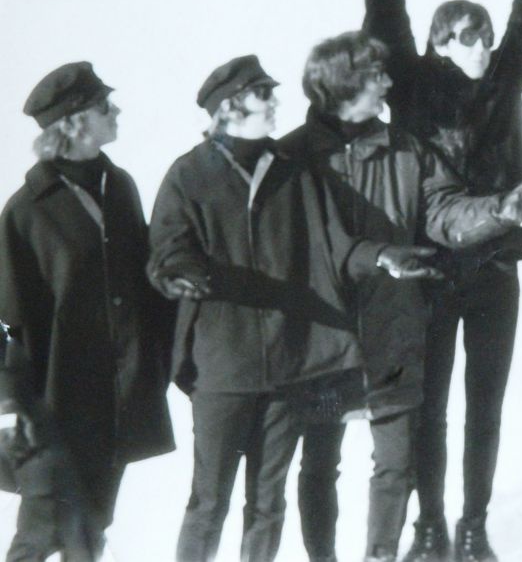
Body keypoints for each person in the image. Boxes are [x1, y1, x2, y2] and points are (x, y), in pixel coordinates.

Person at [357, 0, 522, 562]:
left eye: (481, 35)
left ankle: (474, 526)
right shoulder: (412, 89)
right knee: (429, 412)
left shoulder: (503, 79)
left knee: (486, 407)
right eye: (461, 37)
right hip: (431, 272)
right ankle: (429, 525)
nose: (479, 47)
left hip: (495, 269)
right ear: (437, 45)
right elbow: (387, 19)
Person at [278, 32, 522, 562]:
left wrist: (499, 212)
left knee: (395, 463)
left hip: (394, 329)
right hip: (322, 337)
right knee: (320, 460)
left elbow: (444, 212)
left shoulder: (407, 149)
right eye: (377, 76)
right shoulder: (291, 157)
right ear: (345, 86)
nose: (389, 83)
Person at [148, 55, 423, 562]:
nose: (276, 104)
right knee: (209, 500)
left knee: (268, 502)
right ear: (231, 108)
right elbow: (167, 248)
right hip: (223, 368)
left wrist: (382, 256)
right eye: (264, 95)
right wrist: (178, 272)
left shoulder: (292, 171)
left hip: (287, 363)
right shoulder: (189, 175)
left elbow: (336, 245)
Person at [0, 62, 176, 561]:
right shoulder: (26, 211)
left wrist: (158, 365)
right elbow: (2, 320)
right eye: (103, 106)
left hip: (117, 397)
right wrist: (9, 403)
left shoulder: (119, 188)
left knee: (93, 523)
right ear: (74, 123)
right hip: (52, 406)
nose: (115, 111)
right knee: (40, 530)